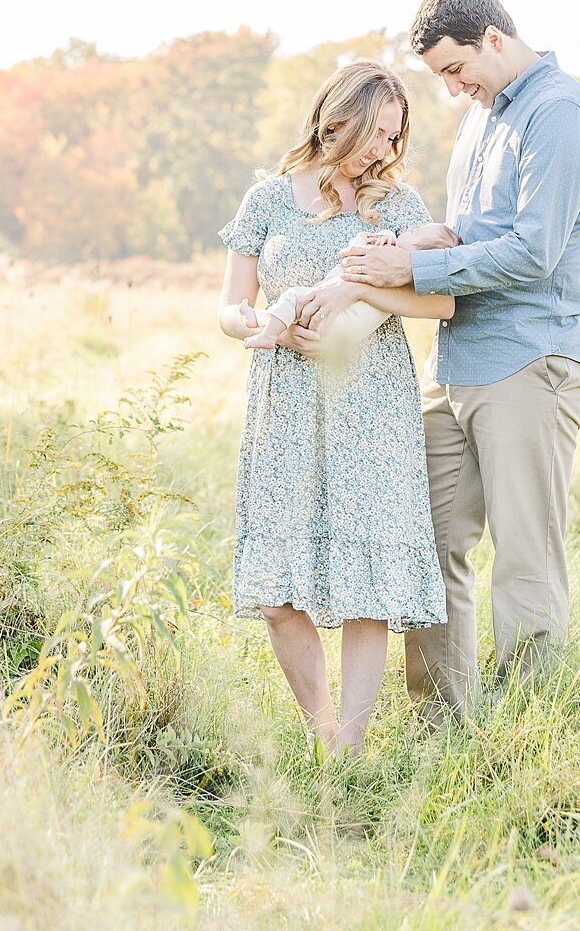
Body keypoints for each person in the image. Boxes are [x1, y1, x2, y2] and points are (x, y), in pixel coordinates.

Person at [337, 0, 580, 719]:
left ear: (494, 38)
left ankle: (530, 736)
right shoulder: (483, 119)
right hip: (456, 359)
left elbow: (534, 251)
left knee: (524, 557)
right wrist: (414, 244)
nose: (453, 89)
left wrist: (414, 270)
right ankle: (441, 725)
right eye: (441, 78)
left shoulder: (559, 114)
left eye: (457, 70)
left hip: (533, 357)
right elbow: (470, 232)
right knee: (427, 545)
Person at [217, 59, 454, 755]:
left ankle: (347, 751)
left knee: (366, 587)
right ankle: (319, 730)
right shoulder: (266, 201)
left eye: (395, 135)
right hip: (284, 399)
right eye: (377, 132)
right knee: (279, 592)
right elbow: (229, 307)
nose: (385, 149)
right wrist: (265, 327)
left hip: (369, 405)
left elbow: (440, 301)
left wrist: (356, 294)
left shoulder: (397, 209)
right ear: (338, 118)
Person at [241, 226, 427, 360]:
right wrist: (384, 236)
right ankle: (262, 321)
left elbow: (354, 253)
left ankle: (267, 332)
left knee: (295, 298)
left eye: (415, 232)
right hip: (343, 331)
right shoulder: (401, 272)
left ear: (421, 251)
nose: (411, 230)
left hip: (336, 324)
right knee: (300, 311)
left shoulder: (394, 262)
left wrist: (363, 238)